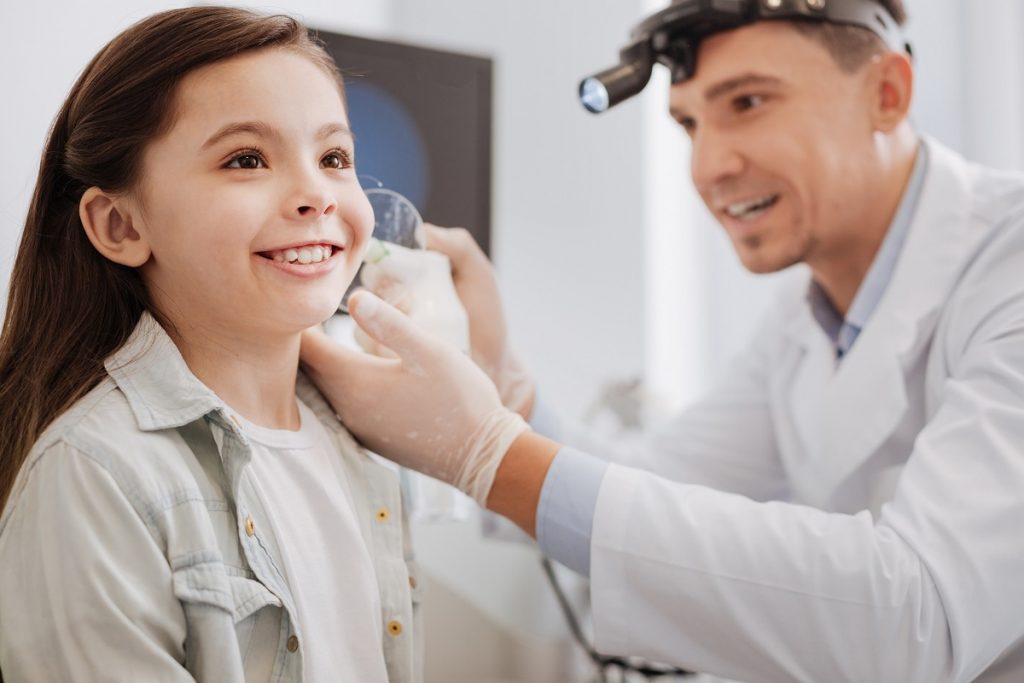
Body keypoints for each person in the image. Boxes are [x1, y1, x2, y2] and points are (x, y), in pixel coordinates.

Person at [299, 0, 1024, 681]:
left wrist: (488, 454)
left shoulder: (1008, 262)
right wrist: (506, 391)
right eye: (688, 124)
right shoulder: (809, 320)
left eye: (748, 102)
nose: (708, 169)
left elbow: (920, 618)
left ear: (888, 93)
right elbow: (658, 485)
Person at [0, 8, 422, 682]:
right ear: (119, 223)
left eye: (334, 156)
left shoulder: (363, 452)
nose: (316, 192)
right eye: (246, 159)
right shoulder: (95, 475)